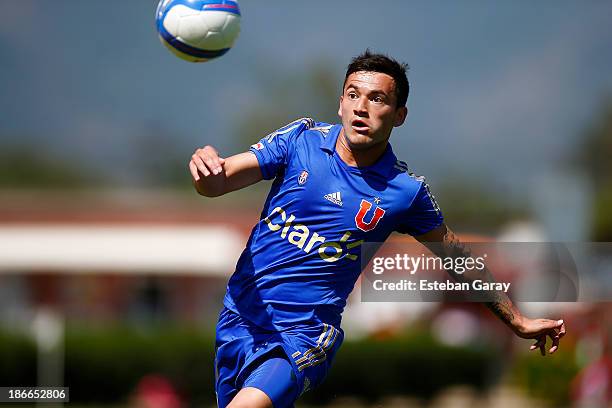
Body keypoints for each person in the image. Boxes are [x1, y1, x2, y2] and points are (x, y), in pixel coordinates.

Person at [189, 50, 567, 408]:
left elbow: (459, 258)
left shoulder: (405, 192)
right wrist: (207, 170)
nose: (361, 107)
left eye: (376, 99)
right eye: (353, 95)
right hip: (238, 317)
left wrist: (516, 319)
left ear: (399, 114)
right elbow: (219, 183)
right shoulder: (300, 140)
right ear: (340, 103)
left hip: (302, 336)